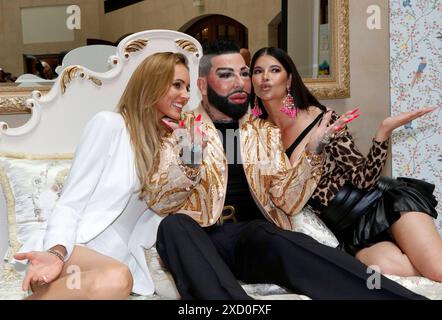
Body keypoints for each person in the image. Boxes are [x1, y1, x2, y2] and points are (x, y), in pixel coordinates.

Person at [156, 40, 426, 300]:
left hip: (253, 238)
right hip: (203, 238)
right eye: (226, 75)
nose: (240, 83)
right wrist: (191, 155)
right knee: (173, 226)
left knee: (294, 244)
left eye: (244, 74)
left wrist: (313, 153)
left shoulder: (264, 133)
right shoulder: (180, 128)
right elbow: (160, 200)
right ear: (203, 85)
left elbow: (288, 200)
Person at [13, 52, 209, 299]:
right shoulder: (110, 125)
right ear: (151, 84)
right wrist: (55, 253)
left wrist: (192, 153)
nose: (186, 95)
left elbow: (175, 204)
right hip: (75, 250)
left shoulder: (169, 143)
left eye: (188, 87)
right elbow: (71, 202)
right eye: (177, 85)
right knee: (117, 278)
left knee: (120, 279)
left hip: (121, 264)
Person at [249, 46, 442, 282]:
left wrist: (383, 132)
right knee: (382, 269)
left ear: (289, 78)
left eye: (274, 70)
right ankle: (426, 255)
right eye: (258, 71)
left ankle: (432, 256)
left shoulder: (321, 120)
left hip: (380, 205)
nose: (265, 77)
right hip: (350, 231)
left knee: (441, 271)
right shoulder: (258, 135)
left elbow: (364, 179)